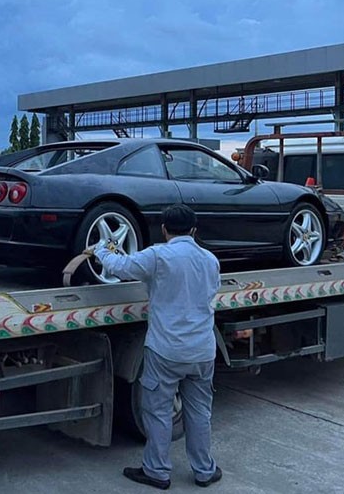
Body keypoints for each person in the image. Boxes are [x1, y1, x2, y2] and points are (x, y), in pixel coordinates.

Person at [91, 204, 222, 490]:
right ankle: (204, 471)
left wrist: (100, 250)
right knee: (199, 413)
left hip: (167, 351)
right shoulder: (211, 260)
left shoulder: (158, 256)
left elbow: (120, 267)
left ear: (164, 229)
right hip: (203, 350)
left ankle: (157, 472)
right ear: (194, 229)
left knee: (159, 412)